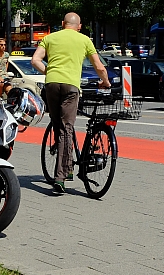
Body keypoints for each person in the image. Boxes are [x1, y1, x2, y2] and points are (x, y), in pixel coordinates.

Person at [31, 12, 110, 194]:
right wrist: (105, 82)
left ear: (62, 24)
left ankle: (67, 168)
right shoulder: (84, 40)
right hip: (71, 87)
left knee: (59, 127)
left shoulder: (50, 38)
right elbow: (99, 66)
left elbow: (35, 60)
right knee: (67, 129)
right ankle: (61, 177)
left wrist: (50, 72)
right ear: (79, 26)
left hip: (51, 85)